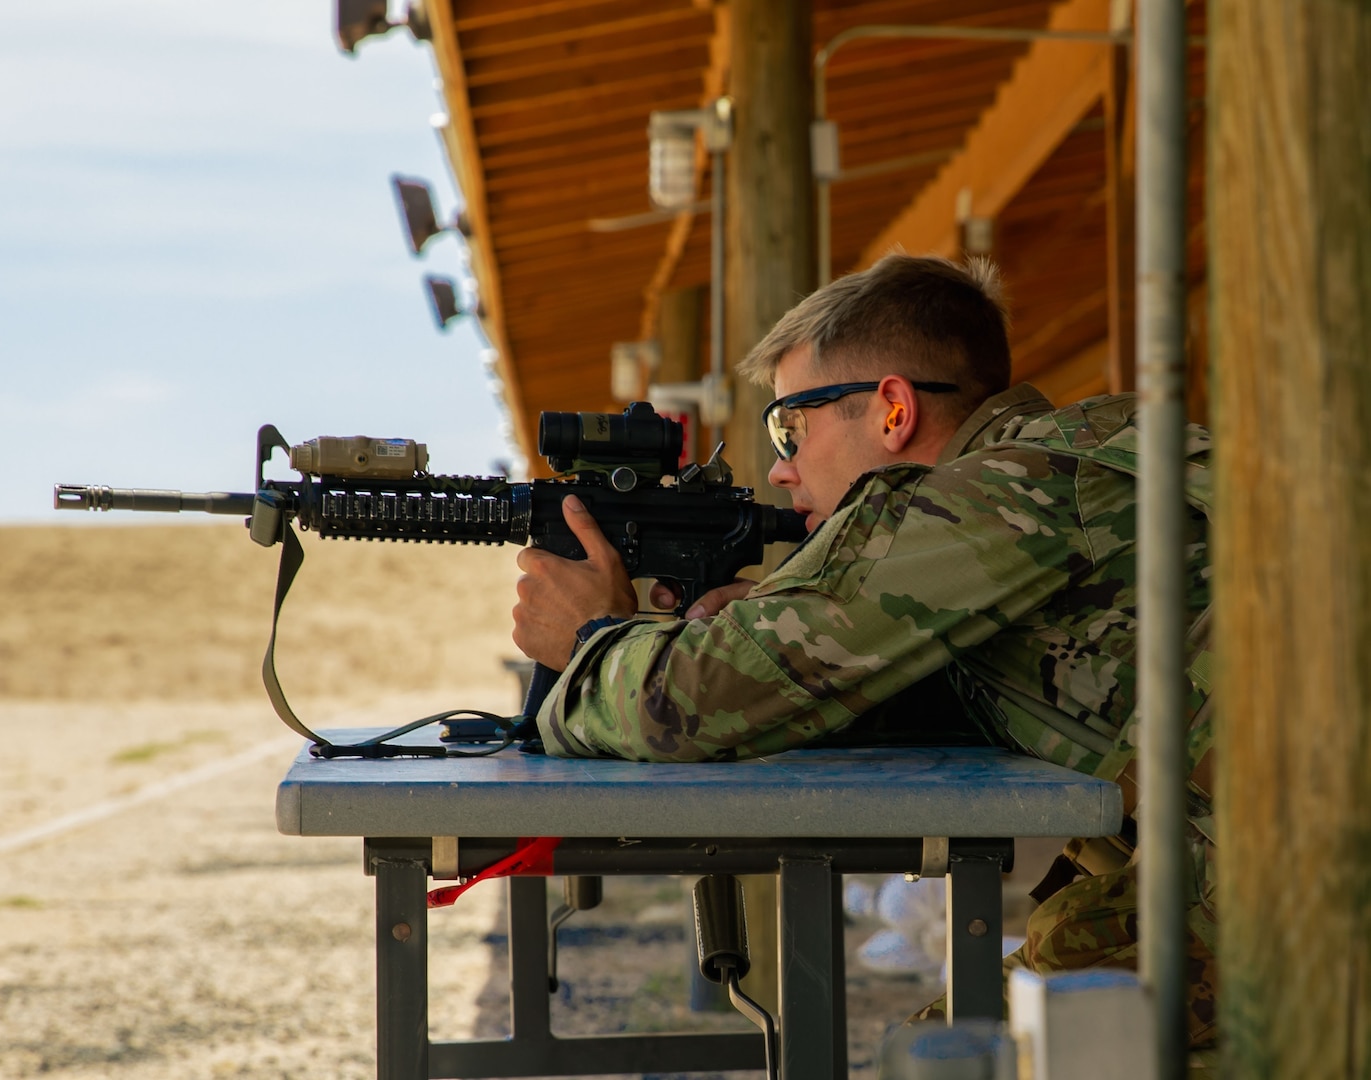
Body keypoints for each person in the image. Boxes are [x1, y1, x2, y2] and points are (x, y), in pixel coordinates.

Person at [510, 254, 1218, 1055]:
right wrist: (772, 624)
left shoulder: (993, 494)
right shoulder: (1073, 463)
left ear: (891, 410)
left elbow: (677, 708)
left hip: (1288, 896)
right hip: (1250, 865)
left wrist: (591, 637)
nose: (780, 467)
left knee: (934, 1065)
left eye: (791, 425)